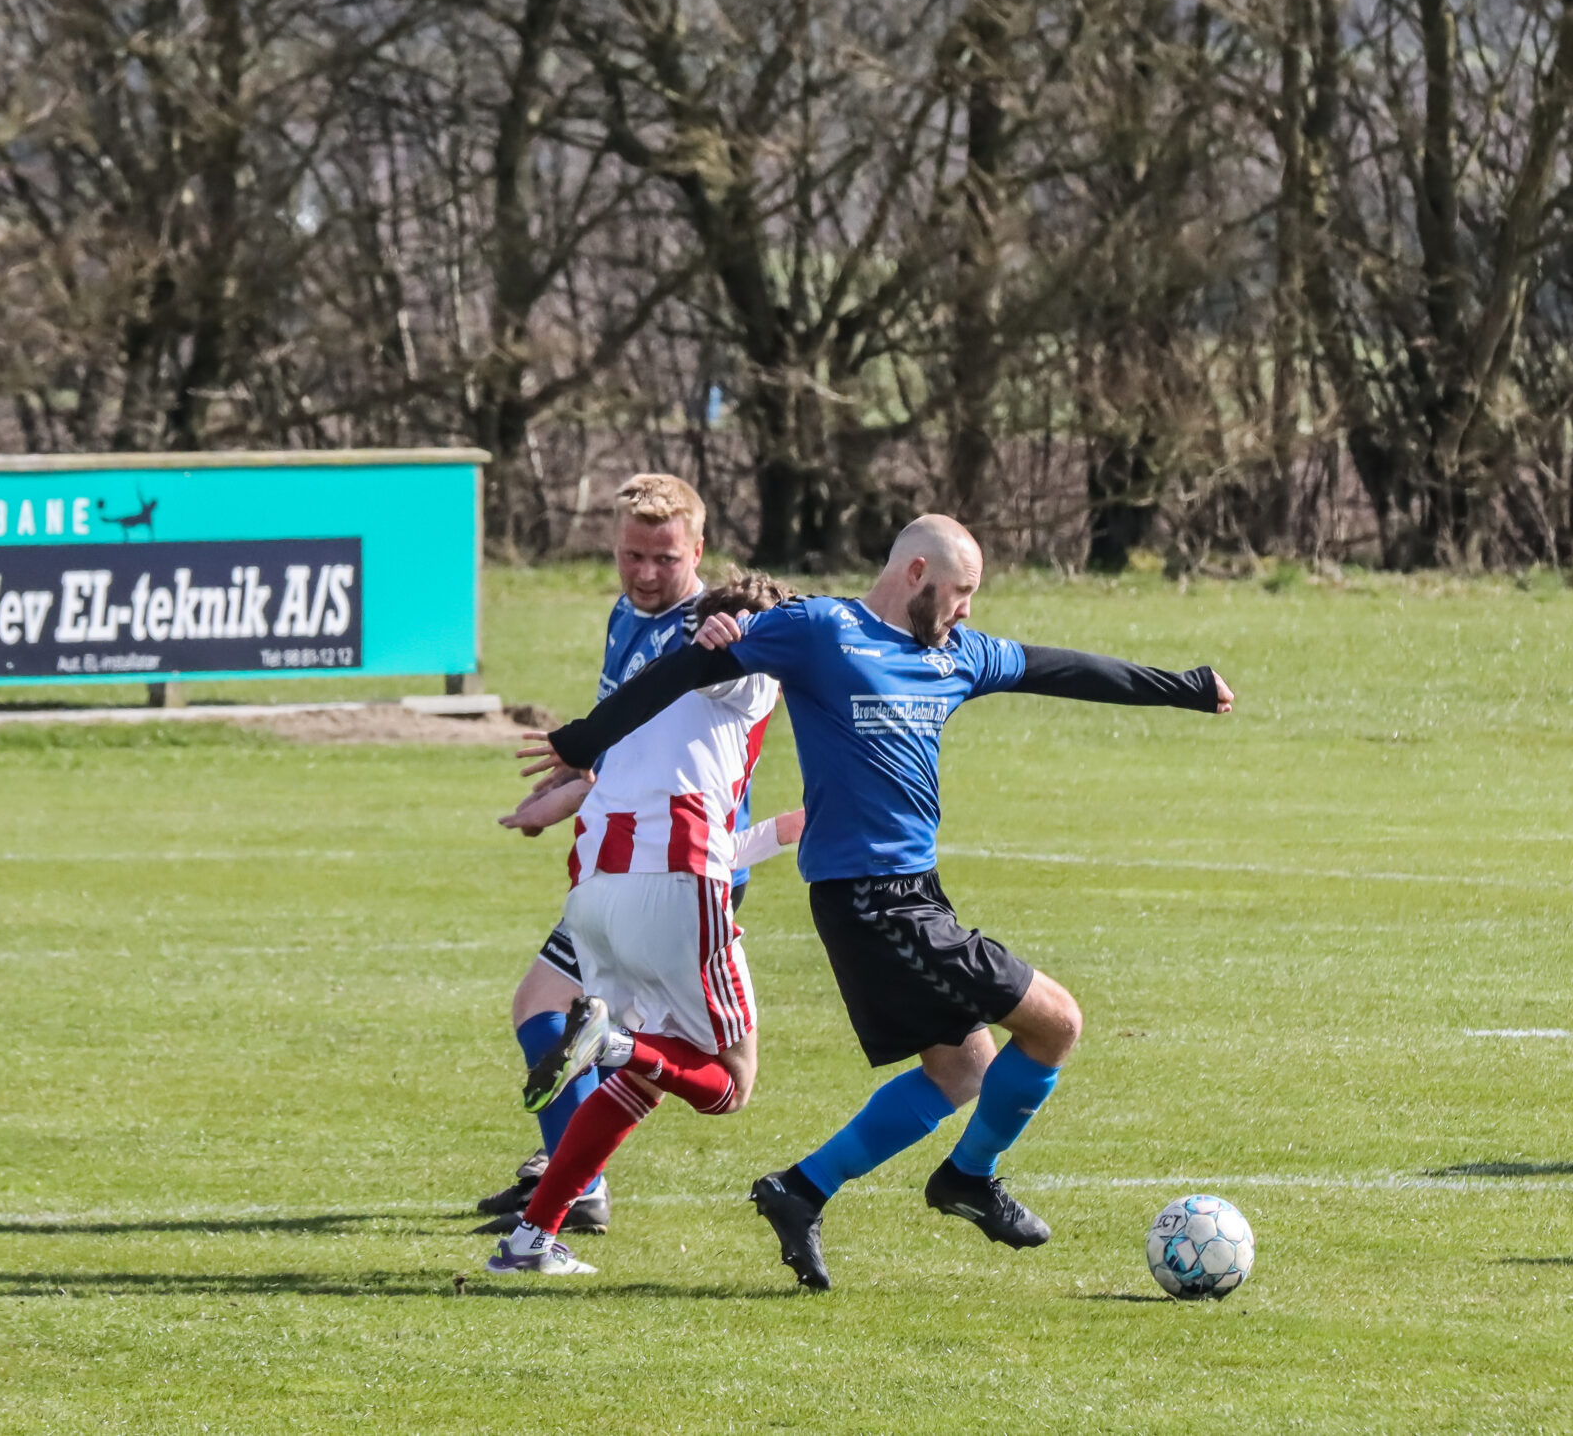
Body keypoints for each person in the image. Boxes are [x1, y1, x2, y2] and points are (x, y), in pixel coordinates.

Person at [527, 515, 1232, 1291]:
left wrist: (1187, 689)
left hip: (914, 894)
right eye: (961, 591)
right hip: (871, 901)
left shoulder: (959, 654)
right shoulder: (822, 628)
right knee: (1058, 1022)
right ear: (918, 573)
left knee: (963, 1067)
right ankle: (969, 1179)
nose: (967, 608)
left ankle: (802, 1189)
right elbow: (689, 668)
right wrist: (587, 738)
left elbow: (1061, 669)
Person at [486, 573, 803, 1275]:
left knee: (647, 1077)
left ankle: (529, 1241)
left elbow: (690, 820)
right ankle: (615, 1042)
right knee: (732, 1081)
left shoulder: (645, 698)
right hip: (675, 891)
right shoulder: (744, 672)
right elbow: (735, 661)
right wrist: (745, 638)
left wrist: (784, 830)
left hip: (597, 899)